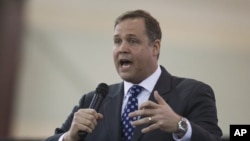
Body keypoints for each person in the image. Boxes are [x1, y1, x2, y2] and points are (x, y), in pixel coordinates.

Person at [45, 9, 222, 141]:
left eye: (132, 40)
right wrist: (68, 137)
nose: (122, 48)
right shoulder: (92, 101)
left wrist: (180, 126)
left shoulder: (192, 93)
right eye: (117, 41)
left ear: (155, 47)